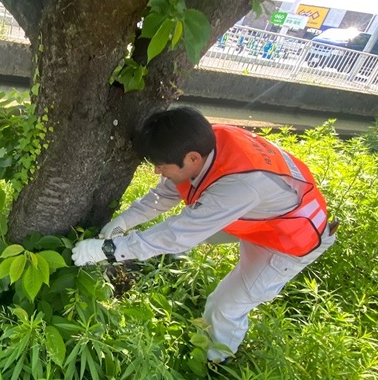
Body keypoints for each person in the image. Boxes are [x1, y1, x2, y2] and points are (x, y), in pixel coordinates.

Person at [71, 107, 338, 363]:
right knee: (189, 235)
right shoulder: (202, 142)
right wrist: (123, 222)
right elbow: (163, 195)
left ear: (192, 159)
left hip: (289, 238)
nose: (156, 171)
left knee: (225, 306)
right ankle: (167, 260)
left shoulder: (236, 186)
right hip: (263, 214)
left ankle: (215, 362)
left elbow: (177, 234)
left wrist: (107, 251)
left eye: (161, 165)